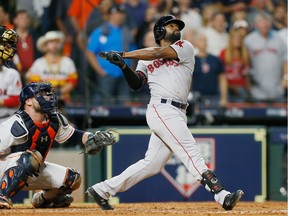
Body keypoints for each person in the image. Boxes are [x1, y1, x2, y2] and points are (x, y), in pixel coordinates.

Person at [87, 14, 243, 211]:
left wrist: (124, 55)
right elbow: (136, 84)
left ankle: (102, 189)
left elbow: (156, 53)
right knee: (190, 151)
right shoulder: (144, 58)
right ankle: (221, 194)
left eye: (177, 26)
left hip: (177, 111)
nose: (176, 29)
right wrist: (124, 66)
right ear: (159, 30)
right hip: (161, 108)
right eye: (170, 26)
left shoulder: (184, 46)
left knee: (151, 165)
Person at [0, 81, 116, 209]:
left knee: (72, 179)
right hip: (6, 170)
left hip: (32, 168)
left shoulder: (54, 119)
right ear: (28, 101)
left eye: (48, 94)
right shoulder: (14, 124)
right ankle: (2, 196)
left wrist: (92, 138)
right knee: (30, 158)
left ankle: (42, 200)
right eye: (42, 94)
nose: (48, 97)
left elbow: (74, 135)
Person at [26, 31, 78, 112]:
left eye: (57, 42)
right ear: (45, 46)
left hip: (64, 102)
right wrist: (50, 94)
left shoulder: (68, 62)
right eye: (51, 42)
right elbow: (34, 83)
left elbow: (72, 82)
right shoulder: (38, 63)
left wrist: (59, 92)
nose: (54, 45)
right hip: (43, 102)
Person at [244, 12, 287, 102]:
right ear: (256, 24)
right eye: (262, 22)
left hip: (277, 89)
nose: (265, 25)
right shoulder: (249, 40)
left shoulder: (279, 39)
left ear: (270, 24)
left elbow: (285, 61)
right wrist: (248, 85)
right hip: (256, 90)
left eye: (266, 22)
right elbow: (245, 64)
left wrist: (286, 78)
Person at [0, 25, 22, 124]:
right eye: (4, 44)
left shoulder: (11, 73)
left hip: (7, 121)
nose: (7, 49)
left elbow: (16, 100)